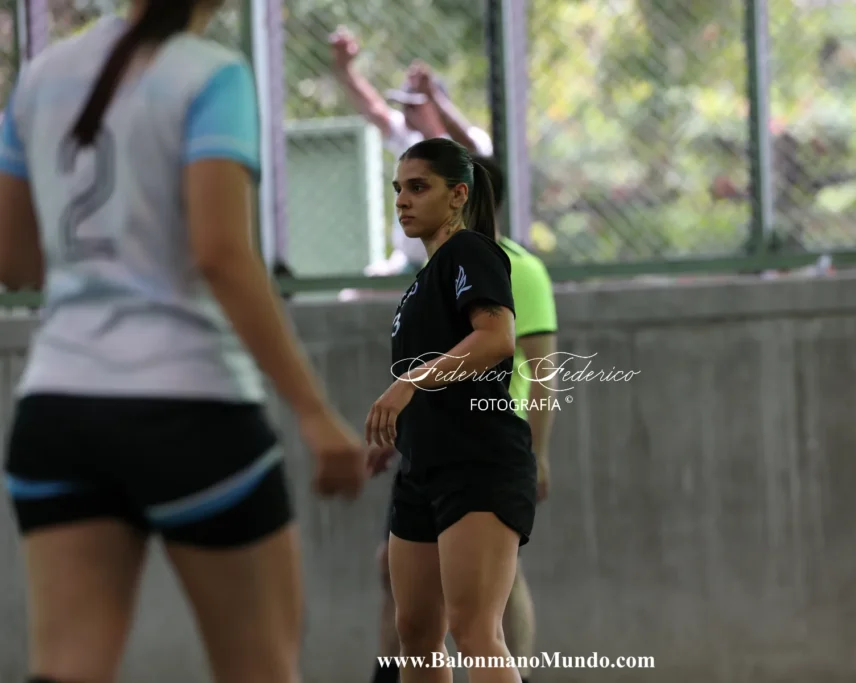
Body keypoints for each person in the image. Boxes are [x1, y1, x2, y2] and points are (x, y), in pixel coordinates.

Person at [0, 2, 371, 682]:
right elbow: (221, 253)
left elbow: (14, 259)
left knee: (66, 670)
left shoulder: (42, 77)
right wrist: (314, 412)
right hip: (191, 411)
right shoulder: (211, 76)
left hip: (57, 409)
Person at [368, 155, 558, 683]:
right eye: (398, 188)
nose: (402, 200)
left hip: (478, 461)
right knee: (416, 634)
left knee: (475, 631)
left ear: (458, 195)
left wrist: (409, 383)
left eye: (418, 187)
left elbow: (497, 339)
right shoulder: (424, 281)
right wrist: (398, 429)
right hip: (423, 467)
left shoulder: (472, 251)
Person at [329, 26, 493, 277]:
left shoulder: (464, 141)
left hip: (458, 260)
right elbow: (374, 109)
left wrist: (433, 96)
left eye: (415, 106)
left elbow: (474, 151)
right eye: (404, 106)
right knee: (358, 291)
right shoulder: (410, 140)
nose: (407, 113)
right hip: (411, 263)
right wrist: (345, 69)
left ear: (436, 107)